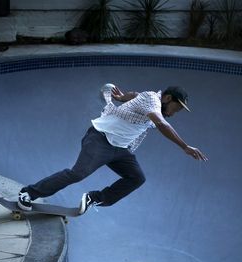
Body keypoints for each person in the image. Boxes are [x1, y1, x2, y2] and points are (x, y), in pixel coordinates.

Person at [17, 84, 208, 214]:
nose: (175, 112)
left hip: (120, 150)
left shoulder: (145, 99)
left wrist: (122, 97)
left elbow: (135, 95)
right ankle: (28, 193)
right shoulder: (153, 99)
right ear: (167, 98)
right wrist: (185, 146)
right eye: (176, 107)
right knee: (77, 173)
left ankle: (95, 198)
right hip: (100, 139)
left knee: (136, 178)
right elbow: (160, 123)